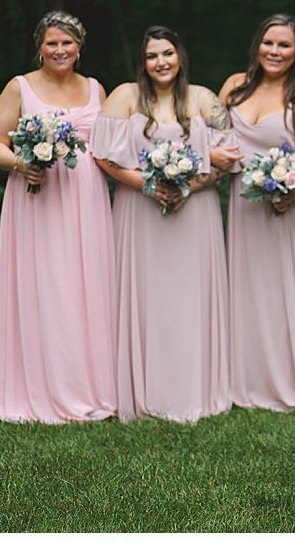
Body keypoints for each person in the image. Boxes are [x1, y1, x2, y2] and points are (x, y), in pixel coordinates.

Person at [91, 25, 234, 423]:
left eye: (167, 53)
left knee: (189, 296)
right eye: (152, 56)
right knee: (146, 296)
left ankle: (195, 389)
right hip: (139, 211)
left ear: (180, 57)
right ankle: (143, 391)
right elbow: (103, 156)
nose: (161, 62)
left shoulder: (204, 98)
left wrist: (190, 185)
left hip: (196, 213)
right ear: (143, 62)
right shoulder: (125, 96)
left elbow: (229, 157)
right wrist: (149, 186)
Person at [0, 10, 117, 423]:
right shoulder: (20, 87)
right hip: (36, 198)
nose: (60, 50)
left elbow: (113, 145)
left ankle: (92, 388)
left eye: (67, 42)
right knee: (48, 287)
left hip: (87, 200)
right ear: (39, 46)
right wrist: (21, 164)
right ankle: (38, 390)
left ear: (80, 46)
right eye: (51, 43)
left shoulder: (96, 89)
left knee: (86, 288)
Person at [216, 14, 295, 411]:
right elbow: (212, 139)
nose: (274, 51)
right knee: (251, 290)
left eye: (284, 45)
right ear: (258, 45)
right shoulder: (234, 88)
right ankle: (248, 381)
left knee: (292, 292)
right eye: (269, 43)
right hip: (246, 207)